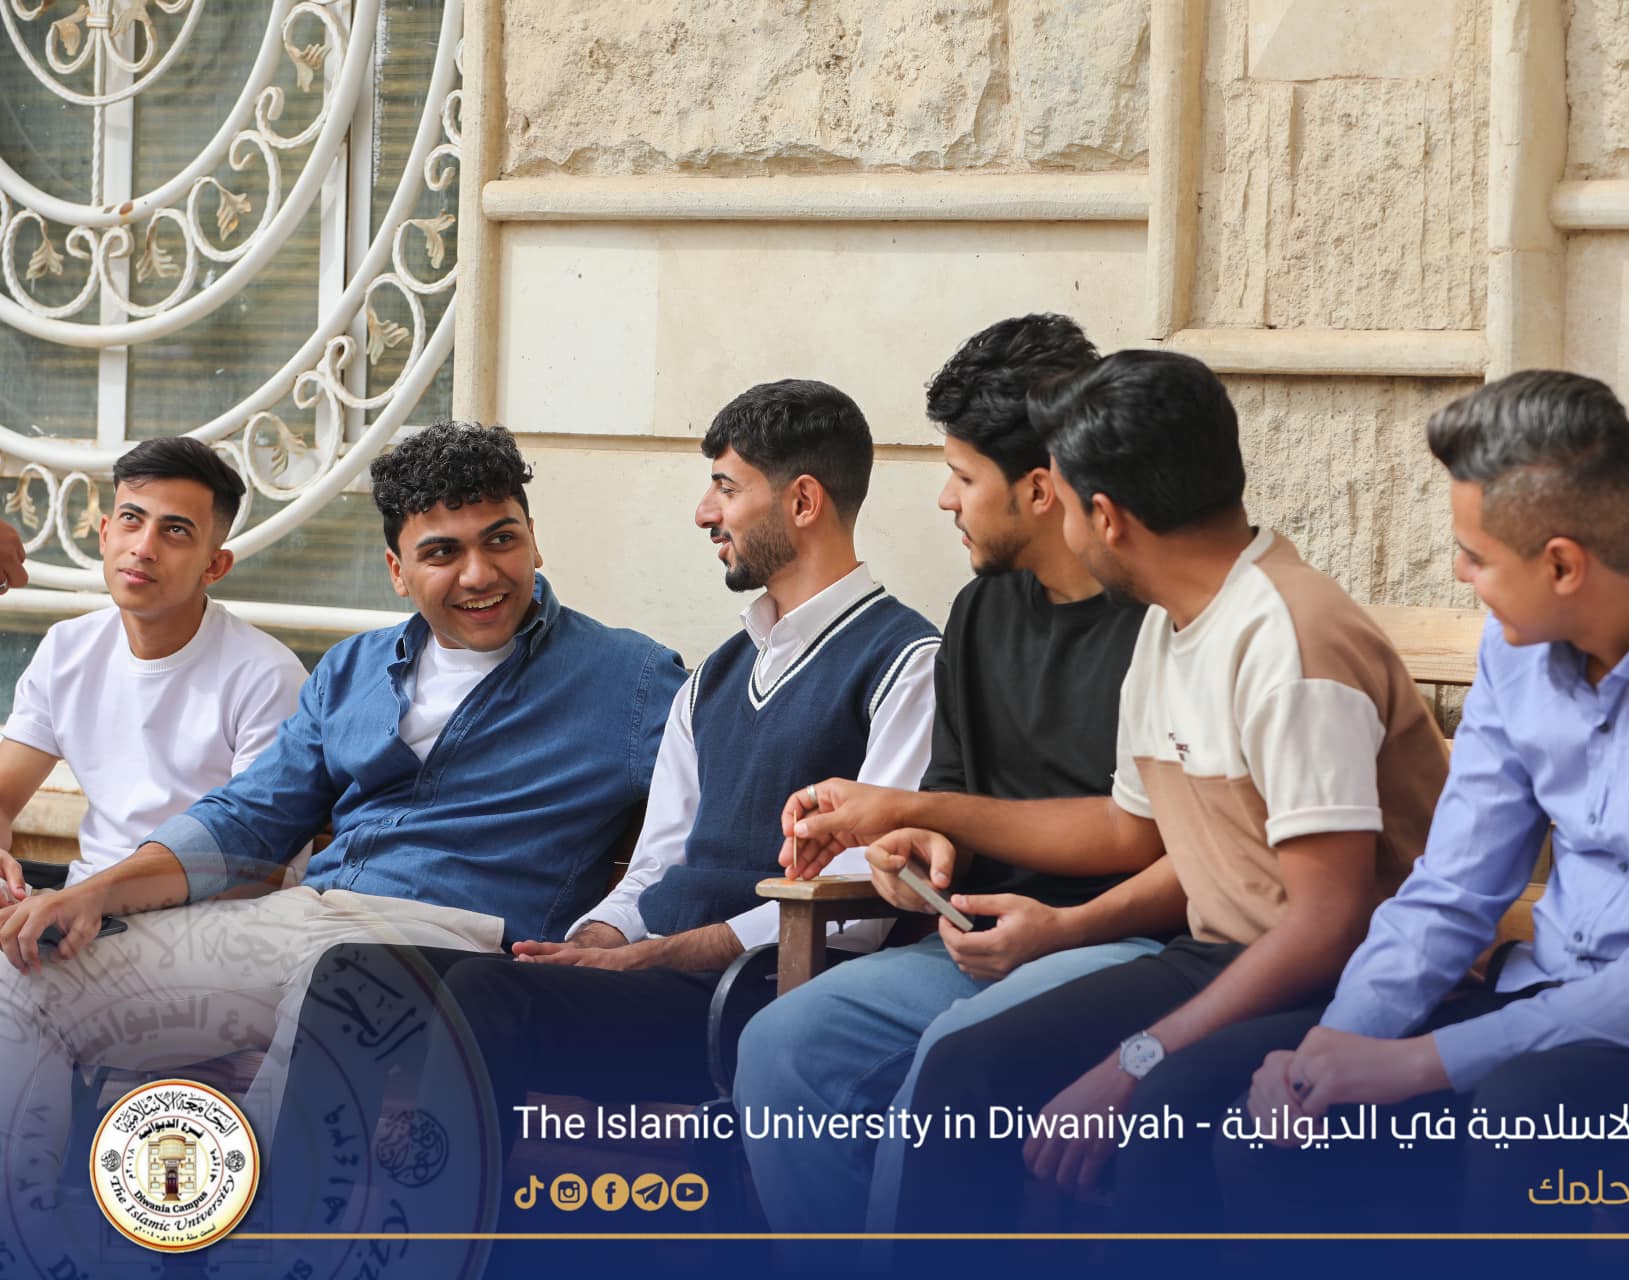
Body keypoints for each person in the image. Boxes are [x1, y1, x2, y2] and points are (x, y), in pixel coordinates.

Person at [1114, 370, 1629, 1231]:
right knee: (1232, 1104)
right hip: (1546, 1011)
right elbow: (1450, 892)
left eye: (1475, 556)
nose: (1459, 571)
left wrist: (1410, 1065)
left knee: (1520, 1114)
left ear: (1562, 565)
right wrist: (1337, 1044)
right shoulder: (1519, 648)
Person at [266, 379, 940, 1238]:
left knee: (485, 999)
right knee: (356, 974)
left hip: (757, 999)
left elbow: (864, 907)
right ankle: (292, 1241)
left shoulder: (908, 663)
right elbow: (656, 865)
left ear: (802, 501)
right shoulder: (716, 675)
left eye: (725, 487)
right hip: (655, 980)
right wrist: (595, 940)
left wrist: (665, 952)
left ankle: (428, 1254)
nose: (704, 512)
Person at [0, 422, 684, 1238]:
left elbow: (701, 832)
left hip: (457, 943)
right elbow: (247, 817)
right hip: (301, 920)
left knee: (332, 987)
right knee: (25, 975)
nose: (479, 573)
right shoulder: (354, 669)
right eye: (442, 552)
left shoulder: (633, 680)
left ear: (533, 539)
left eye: (501, 540)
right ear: (397, 571)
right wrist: (97, 894)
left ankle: (250, 1244)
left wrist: (620, 930)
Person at [866, 349, 1450, 1232]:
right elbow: (1135, 828)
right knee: (967, 1071)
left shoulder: (1290, 644)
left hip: (1349, 979)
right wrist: (1051, 918)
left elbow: (1329, 926)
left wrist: (1135, 1058)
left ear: (1105, 517)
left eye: (1065, 502)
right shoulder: (1172, 626)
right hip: (1225, 955)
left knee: (1161, 1115)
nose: (1062, 529)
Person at [732, 315, 1171, 1233]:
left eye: (964, 477)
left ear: (1040, 489)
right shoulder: (980, 611)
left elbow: (1163, 841)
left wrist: (920, 810)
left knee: (947, 1062)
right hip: (971, 946)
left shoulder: (1159, 622)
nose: (944, 499)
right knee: (782, 1047)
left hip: (1125, 946)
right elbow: (953, 805)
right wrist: (911, 851)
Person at [0, 438, 306, 900]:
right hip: (81, 906)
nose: (144, 548)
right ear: (105, 534)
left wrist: (90, 901)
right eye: (131, 519)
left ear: (215, 565)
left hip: (211, 918)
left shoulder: (266, 676)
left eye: (176, 530)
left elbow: (256, 869)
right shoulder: (68, 649)